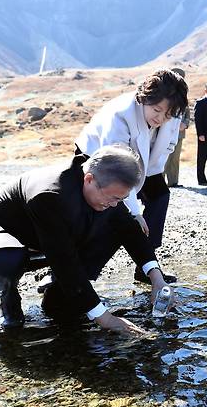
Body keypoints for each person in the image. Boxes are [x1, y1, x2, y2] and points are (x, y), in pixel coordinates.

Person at [0, 146, 170, 334]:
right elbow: (64, 260)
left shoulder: (105, 188)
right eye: (113, 198)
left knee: (117, 225)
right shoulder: (49, 195)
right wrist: (105, 318)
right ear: (89, 179)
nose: (115, 204)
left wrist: (156, 279)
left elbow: (129, 230)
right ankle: (9, 299)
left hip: (53, 235)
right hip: (5, 234)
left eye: (121, 199)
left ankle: (60, 294)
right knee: (7, 260)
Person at [75, 69, 188, 284]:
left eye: (167, 115)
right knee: (112, 213)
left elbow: (168, 146)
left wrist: (150, 173)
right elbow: (118, 171)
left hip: (142, 163)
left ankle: (146, 264)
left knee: (160, 195)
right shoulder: (121, 115)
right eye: (156, 110)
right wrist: (135, 213)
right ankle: (74, 272)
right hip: (100, 159)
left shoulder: (170, 113)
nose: (161, 118)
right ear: (144, 98)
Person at [164, 67, 191, 188]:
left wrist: (185, 124)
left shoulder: (183, 94)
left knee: (175, 157)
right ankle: (159, 181)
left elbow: (187, 112)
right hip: (166, 131)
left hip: (179, 132)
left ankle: (173, 181)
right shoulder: (165, 93)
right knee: (163, 156)